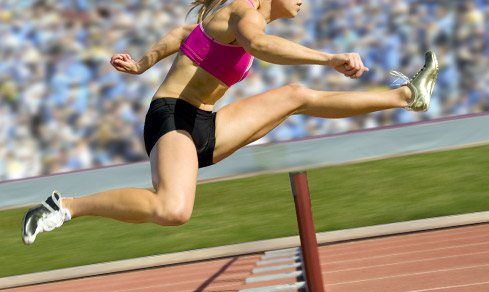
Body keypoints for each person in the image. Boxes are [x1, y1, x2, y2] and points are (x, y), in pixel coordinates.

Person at [21, 0, 439, 245]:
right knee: (173, 209)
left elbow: (183, 32)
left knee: (296, 96)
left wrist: (143, 63)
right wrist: (328, 58)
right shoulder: (244, 9)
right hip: (172, 119)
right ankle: (65, 207)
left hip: (203, 123)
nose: (303, 1)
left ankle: (407, 95)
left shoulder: (230, 14)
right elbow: (257, 43)